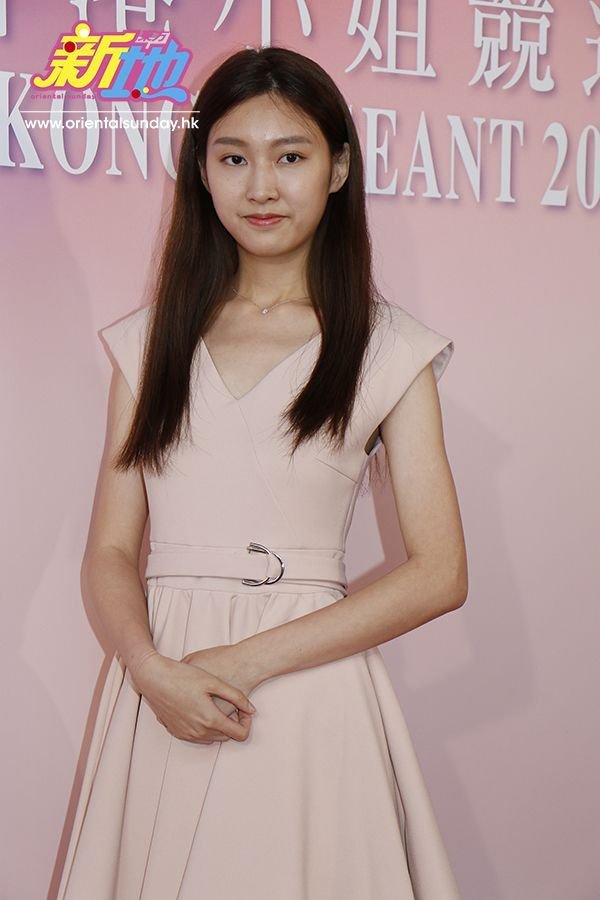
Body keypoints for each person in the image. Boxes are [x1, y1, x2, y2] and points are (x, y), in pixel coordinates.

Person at [55, 45, 467, 900]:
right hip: (165, 686)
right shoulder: (150, 342)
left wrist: (246, 662)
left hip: (309, 689)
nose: (261, 187)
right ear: (201, 172)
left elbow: (440, 573)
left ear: (338, 167)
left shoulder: (390, 349)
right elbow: (110, 552)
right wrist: (150, 670)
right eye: (234, 158)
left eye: (291, 156)